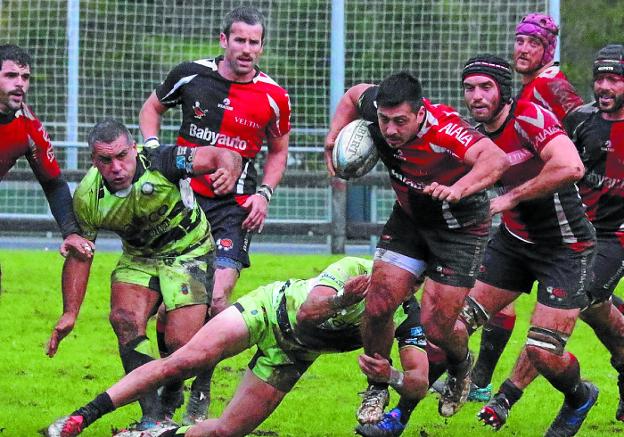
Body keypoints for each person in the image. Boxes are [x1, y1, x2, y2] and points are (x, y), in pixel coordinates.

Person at [47, 257, 431, 437]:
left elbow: (419, 382)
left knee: (228, 432)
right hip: (267, 309)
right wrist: (342, 302)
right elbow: (307, 315)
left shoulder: (407, 316)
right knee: (183, 361)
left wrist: (391, 375)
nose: (395, 286)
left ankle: (148, 436)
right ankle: (82, 417)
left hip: (292, 355)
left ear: (414, 287)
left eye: (406, 284)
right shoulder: (354, 271)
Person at [324, 71, 508, 423]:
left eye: (400, 121)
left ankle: (460, 366)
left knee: (437, 328)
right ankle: (376, 385)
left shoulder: (446, 129)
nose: (390, 130)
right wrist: (333, 139)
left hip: (460, 228)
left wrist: (460, 187)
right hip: (410, 221)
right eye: (384, 120)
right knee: (377, 305)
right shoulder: (373, 105)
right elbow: (351, 96)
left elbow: (495, 160)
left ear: (420, 113)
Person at [138, 6, 291, 423]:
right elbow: (151, 110)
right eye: (239, 40)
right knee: (171, 308)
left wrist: (264, 194)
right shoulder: (190, 75)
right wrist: (154, 151)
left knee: (217, 298)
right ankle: (173, 383)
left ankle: (201, 384)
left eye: (254, 42)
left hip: (234, 210)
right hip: (184, 203)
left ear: (262, 46)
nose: (246, 49)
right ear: (224, 40)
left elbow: (279, 152)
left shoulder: (274, 96)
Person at [45, 119, 242, 434]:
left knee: (181, 343)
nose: (117, 167)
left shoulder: (163, 160)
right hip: (139, 258)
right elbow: (81, 252)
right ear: (93, 161)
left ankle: (176, 387)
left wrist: (229, 169)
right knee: (123, 318)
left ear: (134, 149)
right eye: (105, 160)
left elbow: (221, 155)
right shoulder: (87, 196)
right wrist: (70, 313)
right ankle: (153, 417)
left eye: (122, 156)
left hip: (189, 251)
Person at [448, 55, 597, 437]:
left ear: (503, 90)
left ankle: (579, 396)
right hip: (513, 243)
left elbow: (571, 167)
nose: (476, 96)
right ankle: (432, 393)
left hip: (565, 247)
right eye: (469, 88)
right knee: (453, 323)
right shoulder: (473, 133)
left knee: (544, 352)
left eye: (486, 87)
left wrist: (512, 197)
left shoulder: (530, 116)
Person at [478, 44, 624, 431]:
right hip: (571, 233)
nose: (604, 86)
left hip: (614, 237)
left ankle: (507, 394)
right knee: (596, 308)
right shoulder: (581, 121)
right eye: (600, 78)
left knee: (581, 302)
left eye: (615, 79)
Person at [468, 12, 587, 403]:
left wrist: (580, 183)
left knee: (595, 304)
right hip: (526, 221)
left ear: (547, 49)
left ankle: (489, 383)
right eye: (519, 41)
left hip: (564, 211)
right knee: (499, 292)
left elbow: (586, 129)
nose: (523, 48)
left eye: (533, 43)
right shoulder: (520, 88)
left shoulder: (551, 84)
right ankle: (480, 379)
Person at [0, 44, 93, 287]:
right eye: (11, 75)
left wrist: (71, 231)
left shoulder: (29, 129)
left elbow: (53, 184)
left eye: (25, 77)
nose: (20, 83)